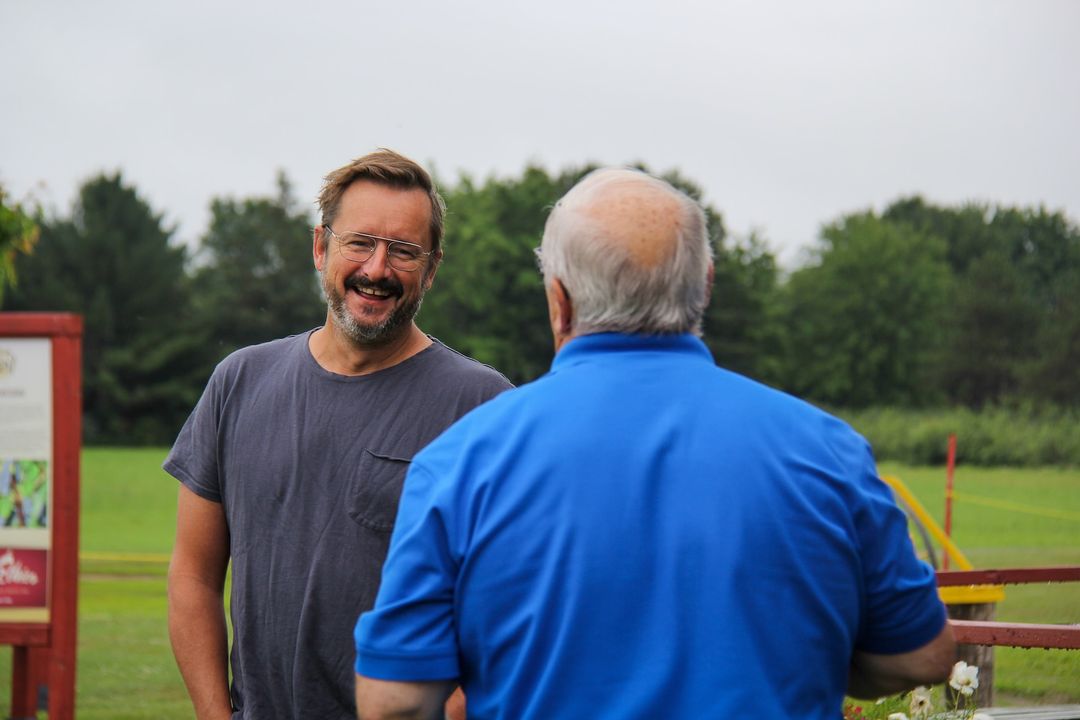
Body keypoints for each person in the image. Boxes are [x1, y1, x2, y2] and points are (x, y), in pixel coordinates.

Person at [352, 168, 957, 719]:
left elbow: (395, 702)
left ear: (558, 299)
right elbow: (920, 657)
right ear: (705, 286)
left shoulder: (461, 462)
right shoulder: (827, 452)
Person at [165, 149, 511, 720]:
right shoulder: (239, 382)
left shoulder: (482, 406)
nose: (377, 269)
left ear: (431, 269)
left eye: (404, 251)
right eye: (360, 243)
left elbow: (507, 607)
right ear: (321, 247)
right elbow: (194, 576)